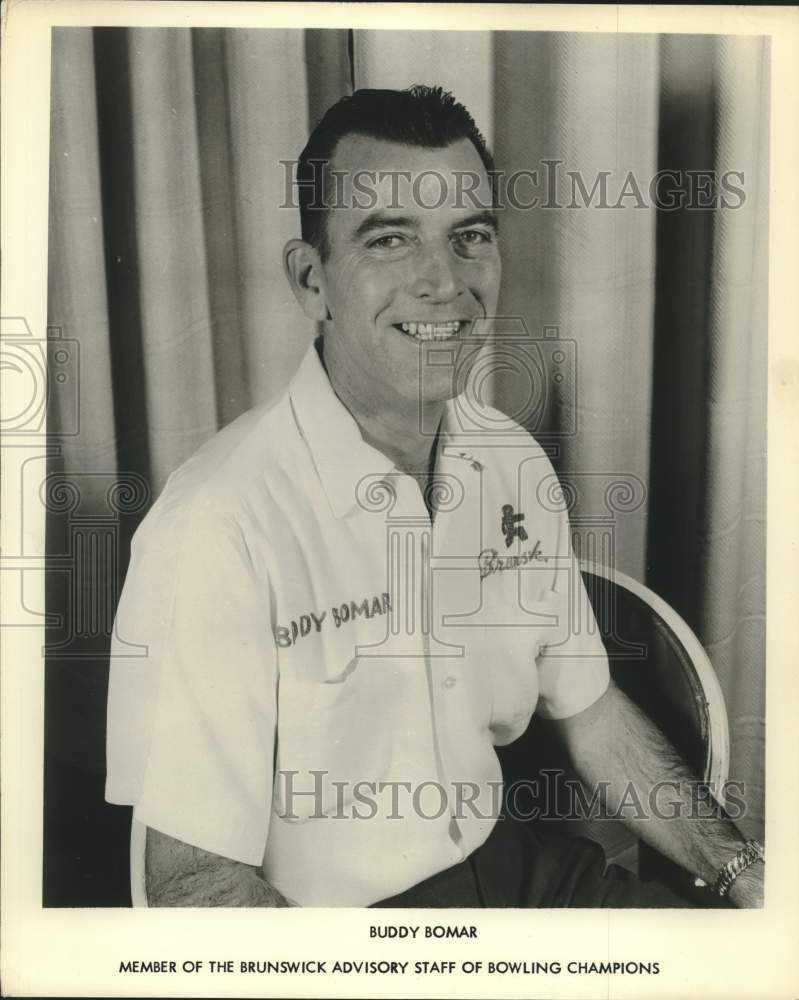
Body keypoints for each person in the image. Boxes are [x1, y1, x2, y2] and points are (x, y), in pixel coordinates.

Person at [105, 86, 764, 908]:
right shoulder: (216, 527)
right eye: (388, 240)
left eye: (469, 238)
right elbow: (194, 884)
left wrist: (744, 875)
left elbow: (591, 716)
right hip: (345, 939)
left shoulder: (510, 459)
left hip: (523, 874)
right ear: (313, 280)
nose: (443, 284)